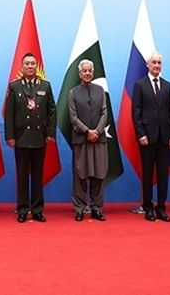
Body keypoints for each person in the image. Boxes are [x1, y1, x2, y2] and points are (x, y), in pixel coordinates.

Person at [4, 52, 56, 223]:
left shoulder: (45, 86)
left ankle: (37, 210)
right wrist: (10, 136)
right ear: (22, 66)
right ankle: (22, 209)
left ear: (37, 66)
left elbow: (52, 111)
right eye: (27, 63)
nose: (30, 66)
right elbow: (9, 114)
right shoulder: (14, 86)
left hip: (40, 137)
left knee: (38, 176)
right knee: (22, 176)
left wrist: (50, 133)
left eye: (33, 63)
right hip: (21, 138)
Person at [132, 52, 170, 222]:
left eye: (159, 63)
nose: (157, 65)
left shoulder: (167, 86)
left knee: (163, 175)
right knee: (147, 174)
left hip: (164, 138)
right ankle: (148, 207)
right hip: (147, 138)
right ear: (147, 64)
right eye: (154, 62)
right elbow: (136, 112)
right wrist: (141, 134)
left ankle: (161, 208)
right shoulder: (139, 85)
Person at [67, 59, 108, 222]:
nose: (87, 73)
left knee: (99, 175)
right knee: (80, 176)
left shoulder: (100, 91)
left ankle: (97, 209)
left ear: (93, 72)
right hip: (81, 140)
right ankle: (80, 208)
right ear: (79, 73)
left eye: (90, 70)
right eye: (84, 71)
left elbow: (104, 113)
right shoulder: (73, 92)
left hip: (98, 139)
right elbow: (73, 117)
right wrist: (87, 131)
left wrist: (97, 131)